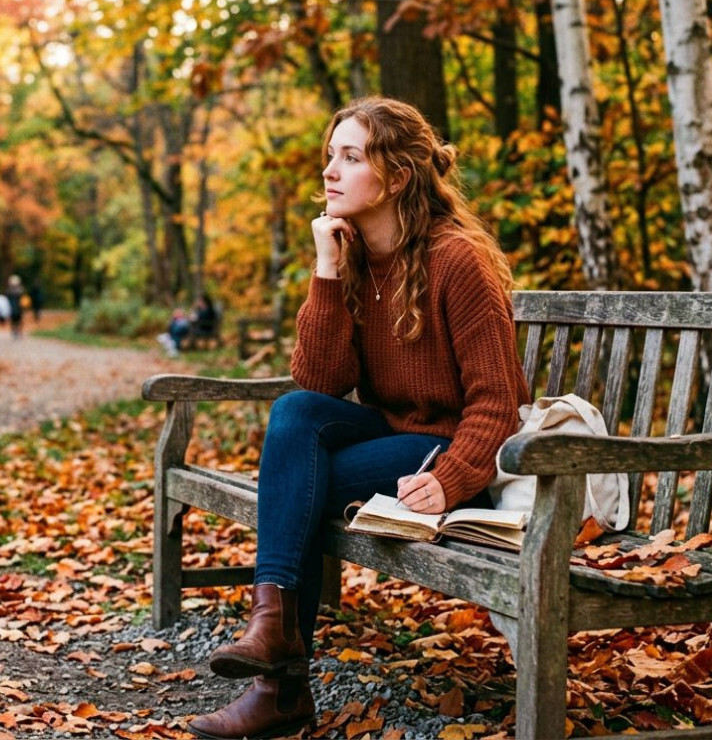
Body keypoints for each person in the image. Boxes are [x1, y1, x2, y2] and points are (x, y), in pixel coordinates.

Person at [187, 97, 529, 740]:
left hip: (449, 452)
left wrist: (453, 479)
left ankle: (280, 685)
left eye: (350, 157)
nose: (329, 170)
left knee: (296, 488)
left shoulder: (458, 260)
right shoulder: (355, 257)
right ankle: (273, 636)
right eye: (330, 155)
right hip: (391, 438)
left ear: (396, 177)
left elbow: (498, 402)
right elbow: (319, 382)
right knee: (295, 413)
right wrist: (326, 271)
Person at [5, 274, 25, 339]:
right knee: (14, 321)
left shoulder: (19, 290)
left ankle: (18, 332)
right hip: (13, 307)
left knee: (18, 321)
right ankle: (15, 331)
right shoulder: (10, 290)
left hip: (18, 307)